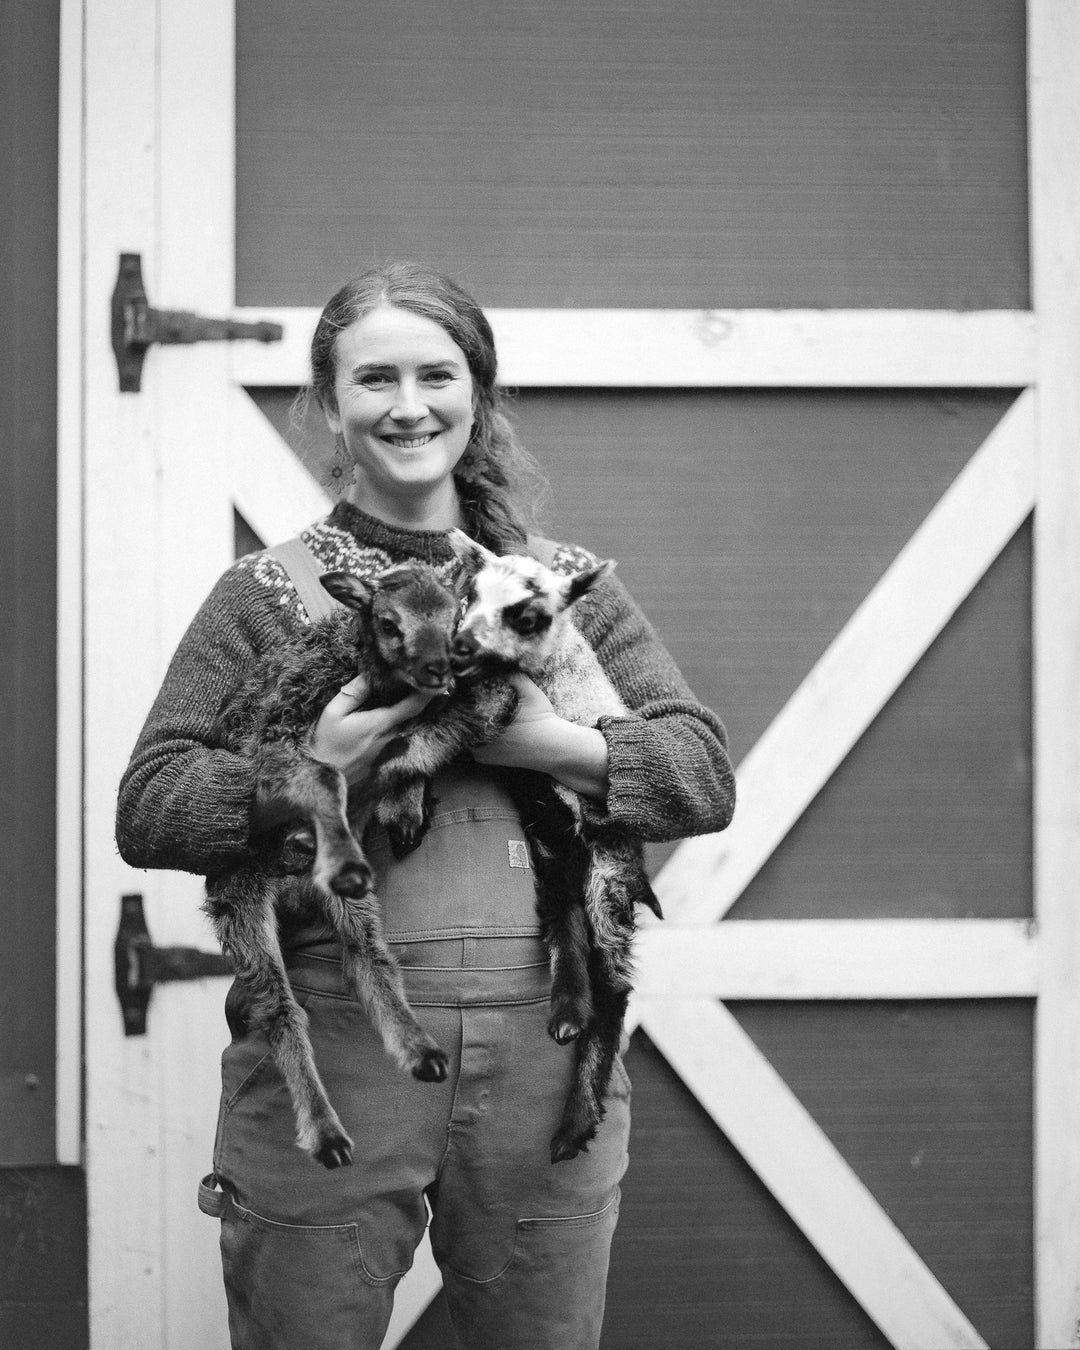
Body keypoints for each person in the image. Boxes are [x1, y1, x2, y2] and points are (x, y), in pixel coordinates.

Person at [115, 260, 735, 1350]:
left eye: (436, 375)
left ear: (478, 395)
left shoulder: (543, 587)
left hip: (546, 1055)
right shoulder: (272, 594)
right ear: (330, 406)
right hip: (338, 1049)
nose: (409, 406)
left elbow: (701, 774)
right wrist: (312, 771)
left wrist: (545, 744)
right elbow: (151, 804)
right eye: (375, 379)